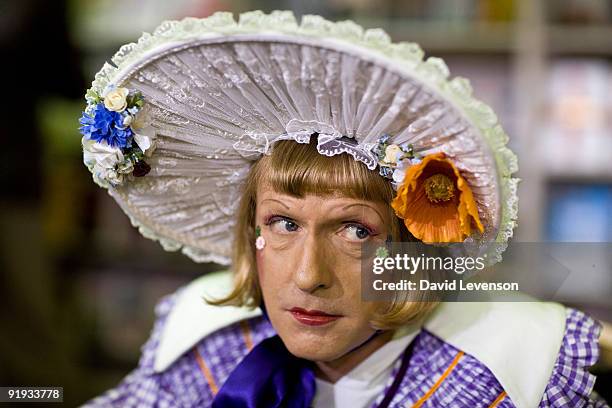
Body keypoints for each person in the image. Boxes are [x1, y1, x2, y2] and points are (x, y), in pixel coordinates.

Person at [78, 10, 608, 407]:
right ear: (250, 230)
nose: (309, 276)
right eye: (283, 223)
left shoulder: (501, 376)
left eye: (355, 230)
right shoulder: (205, 346)